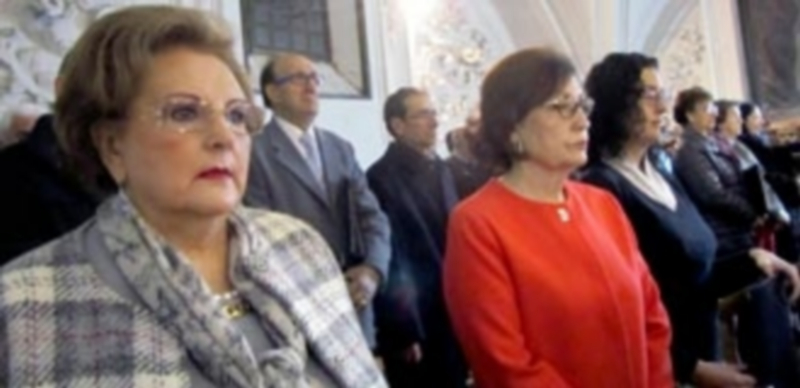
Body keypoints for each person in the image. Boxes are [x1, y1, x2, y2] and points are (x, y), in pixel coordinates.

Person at [0, 6, 385, 387]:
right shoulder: (25, 306)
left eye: (236, 116)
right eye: (184, 113)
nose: (224, 138)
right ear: (112, 145)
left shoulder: (300, 245)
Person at [443, 47, 674, 388]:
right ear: (512, 126)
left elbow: (652, 319)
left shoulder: (602, 205)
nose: (582, 121)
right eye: (561, 107)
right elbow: (505, 362)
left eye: (582, 105)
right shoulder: (478, 223)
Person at [581, 52, 800, 387]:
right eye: (650, 95)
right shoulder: (603, 186)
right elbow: (624, 308)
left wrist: (753, 258)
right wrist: (692, 368)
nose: (663, 108)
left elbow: (693, 272)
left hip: (702, 343)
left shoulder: (657, 172)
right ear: (617, 103)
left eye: (663, 95)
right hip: (667, 365)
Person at [245, 53, 390, 351]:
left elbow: (372, 217)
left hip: (354, 305)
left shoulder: (340, 148)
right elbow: (258, 236)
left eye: (314, 78)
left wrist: (372, 271)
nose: (311, 86)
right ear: (272, 92)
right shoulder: (254, 153)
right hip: (297, 312)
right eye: (298, 78)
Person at [674, 87, 800, 388]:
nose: (713, 113)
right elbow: (713, 194)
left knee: (768, 284)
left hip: (740, 231)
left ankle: (778, 367)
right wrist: (752, 212)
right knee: (758, 290)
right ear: (690, 114)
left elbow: (743, 179)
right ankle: (767, 372)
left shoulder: (712, 143)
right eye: (707, 107)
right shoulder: (691, 151)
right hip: (723, 239)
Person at [367, 87, 468, 387]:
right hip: (418, 322)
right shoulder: (380, 178)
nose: (434, 122)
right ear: (397, 126)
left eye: (434, 114)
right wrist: (403, 330)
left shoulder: (442, 170)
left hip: (451, 309)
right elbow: (393, 258)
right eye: (423, 114)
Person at [445, 112, 492, 199]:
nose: (470, 139)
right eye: (465, 136)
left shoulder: (482, 162)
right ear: (455, 140)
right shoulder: (447, 168)